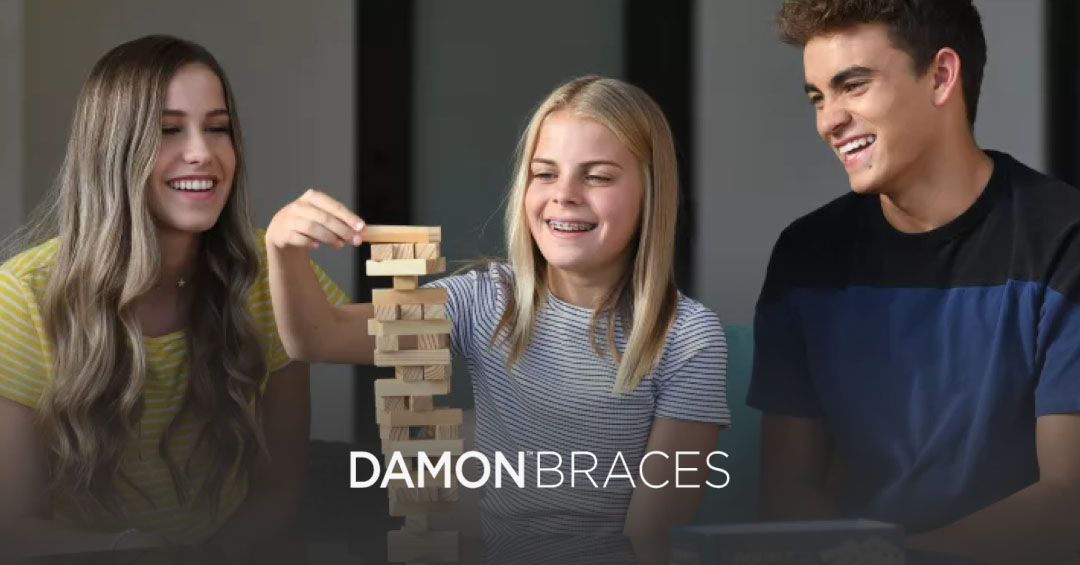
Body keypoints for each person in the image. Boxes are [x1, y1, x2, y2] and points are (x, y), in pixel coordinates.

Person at [264, 76, 729, 540]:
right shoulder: (486, 300)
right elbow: (316, 337)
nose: (564, 193)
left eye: (598, 176)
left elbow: (651, 537)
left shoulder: (688, 337)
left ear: (651, 193)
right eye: (545, 173)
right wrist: (282, 246)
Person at [749, 1, 1080, 563]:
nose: (828, 121)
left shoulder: (1064, 239)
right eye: (818, 96)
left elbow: (1069, 502)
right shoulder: (805, 256)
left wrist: (894, 557)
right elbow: (785, 489)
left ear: (942, 76)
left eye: (852, 85)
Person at [0, 35, 344, 556]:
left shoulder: (273, 275)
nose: (202, 154)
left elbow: (278, 491)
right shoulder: (20, 298)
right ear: (110, 149)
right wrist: (136, 550)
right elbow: (14, 529)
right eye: (168, 130)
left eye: (218, 128)